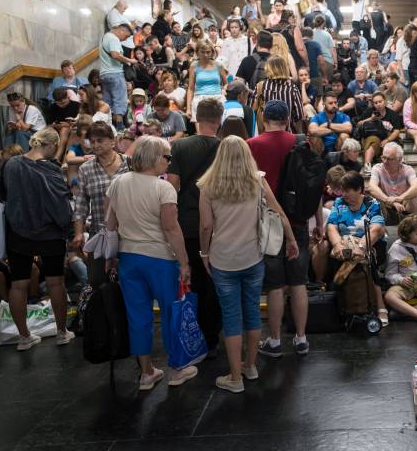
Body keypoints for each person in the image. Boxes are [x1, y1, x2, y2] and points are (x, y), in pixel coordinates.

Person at [198, 135, 297, 393]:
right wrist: (291, 239)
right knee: (252, 312)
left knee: (231, 317)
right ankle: (250, 366)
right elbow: (277, 211)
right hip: (253, 256)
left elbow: (206, 225)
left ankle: (234, 377)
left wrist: (204, 253)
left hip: (222, 258)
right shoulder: (257, 180)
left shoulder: (207, 185)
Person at [106, 136, 198, 390]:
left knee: (137, 315)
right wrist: (184, 262)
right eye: (167, 157)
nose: (169, 162)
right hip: (160, 259)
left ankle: (146, 372)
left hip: (128, 258)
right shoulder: (163, 188)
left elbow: (110, 225)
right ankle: (177, 369)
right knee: (172, 313)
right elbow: (171, 228)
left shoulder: (117, 183)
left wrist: (112, 257)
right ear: (155, 158)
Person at [249, 100, 322, 358]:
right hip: (298, 221)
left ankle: (276, 340)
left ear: (264, 117)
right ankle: (301, 339)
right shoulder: (301, 141)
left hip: (267, 222)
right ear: (288, 118)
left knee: (275, 284)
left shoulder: (252, 145)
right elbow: (313, 185)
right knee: (299, 281)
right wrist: (319, 221)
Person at [0, 128, 74, 351]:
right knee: (55, 282)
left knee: (18, 284)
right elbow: (61, 206)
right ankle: (61, 332)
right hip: (50, 235)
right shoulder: (51, 169)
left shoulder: (11, 164)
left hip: (18, 232)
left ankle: (24, 338)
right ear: (49, 146)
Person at [167, 99, 225, 357]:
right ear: (219, 120)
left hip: (189, 222)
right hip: (219, 221)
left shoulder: (179, 145)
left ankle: (196, 333)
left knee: (195, 280)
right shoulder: (225, 148)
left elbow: (172, 185)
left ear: (195, 119)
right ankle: (214, 334)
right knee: (217, 279)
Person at [325, 171, 389, 325]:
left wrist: (360, 247)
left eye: (348, 190)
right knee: (341, 256)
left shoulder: (372, 203)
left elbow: (377, 229)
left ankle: (378, 305)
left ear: (359, 189)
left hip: (370, 243)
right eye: (342, 189)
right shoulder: (339, 203)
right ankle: (346, 306)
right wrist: (338, 245)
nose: (344, 194)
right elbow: (331, 227)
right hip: (344, 244)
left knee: (365, 258)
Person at [72, 122, 130, 286]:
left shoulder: (130, 164)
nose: (95, 145)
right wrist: (78, 234)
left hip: (130, 234)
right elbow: (80, 204)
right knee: (98, 283)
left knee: (128, 283)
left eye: (100, 140)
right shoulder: (86, 169)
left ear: (112, 141)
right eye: (92, 141)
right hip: (101, 235)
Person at [368, 142, 417, 225]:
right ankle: (379, 224)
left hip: (404, 205)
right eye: (383, 158)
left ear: (399, 159)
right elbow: (371, 187)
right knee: (376, 195)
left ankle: (413, 224)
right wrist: (390, 201)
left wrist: (400, 198)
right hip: (386, 205)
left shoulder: (407, 169)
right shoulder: (377, 168)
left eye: (389, 159)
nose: (385, 161)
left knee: (414, 194)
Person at [250, 55, 304, 134]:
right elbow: (299, 115)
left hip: (264, 135)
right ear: (285, 69)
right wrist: (299, 133)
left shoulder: (260, 87)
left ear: (268, 69)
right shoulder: (292, 88)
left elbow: (251, 110)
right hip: (286, 136)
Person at [99, 22, 137, 130]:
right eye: (126, 36)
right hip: (115, 74)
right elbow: (115, 54)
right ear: (122, 30)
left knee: (108, 104)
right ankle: (119, 130)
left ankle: (108, 130)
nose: (125, 39)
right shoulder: (113, 38)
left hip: (104, 75)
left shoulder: (104, 37)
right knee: (119, 103)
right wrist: (129, 61)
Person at [357, 91, 402, 174]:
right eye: (376, 103)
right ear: (373, 104)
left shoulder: (392, 114)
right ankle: (367, 166)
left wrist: (387, 140)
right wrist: (370, 119)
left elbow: (396, 131)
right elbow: (358, 124)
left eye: (380, 101)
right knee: (373, 141)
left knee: (394, 144)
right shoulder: (369, 111)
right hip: (371, 137)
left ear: (384, 101)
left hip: (388, 138)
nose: (378, 104)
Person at [185, 41, 227, 125]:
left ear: (212, 52)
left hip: (217, 98)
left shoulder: (219, 65)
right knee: (200, 132)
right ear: (197, 52)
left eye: (208, 52)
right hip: (199, 99)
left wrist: (224, 89)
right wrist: (188, 108)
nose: (205, 55)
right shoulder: (194, 65)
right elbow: (190, 88)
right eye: (202, 52)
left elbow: (226, 83)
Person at [311, 14, 336, 82]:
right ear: (324, 23)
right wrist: (335, 62)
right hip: (327, 61)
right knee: (329, 83)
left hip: (314, 62)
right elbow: (332, 49)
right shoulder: (327, 34)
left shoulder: (311, 33)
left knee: (318, 85)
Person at [396, 24, 417, 88]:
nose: (415, 35)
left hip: (412, 69)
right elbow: (398, 59)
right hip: (404, 69)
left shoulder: (413, 40)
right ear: (409, 33)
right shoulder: (400, 41)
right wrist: (402, 75)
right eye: (413, 33)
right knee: (406, 91)